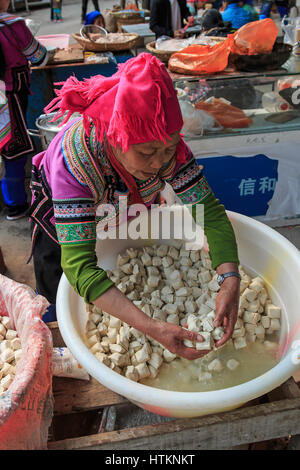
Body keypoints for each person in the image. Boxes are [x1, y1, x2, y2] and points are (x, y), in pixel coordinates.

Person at [29, 53, 240, 359]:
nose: (159, 163)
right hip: (62, 206)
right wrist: (152, 327)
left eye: (168, 149)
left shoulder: (167, 151)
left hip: (126, 201)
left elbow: (212, 216)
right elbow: (79, 266)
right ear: (115, 139)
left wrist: (229, 278)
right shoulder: (74, 163)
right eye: (146, 153)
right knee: (54, 276)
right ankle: (54, 341)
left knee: (132, 230)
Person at [0, 0, 48, 221]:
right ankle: (15, 204)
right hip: (8, 97)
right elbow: (39, 56)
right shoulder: (13, 25)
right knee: (14, 148)